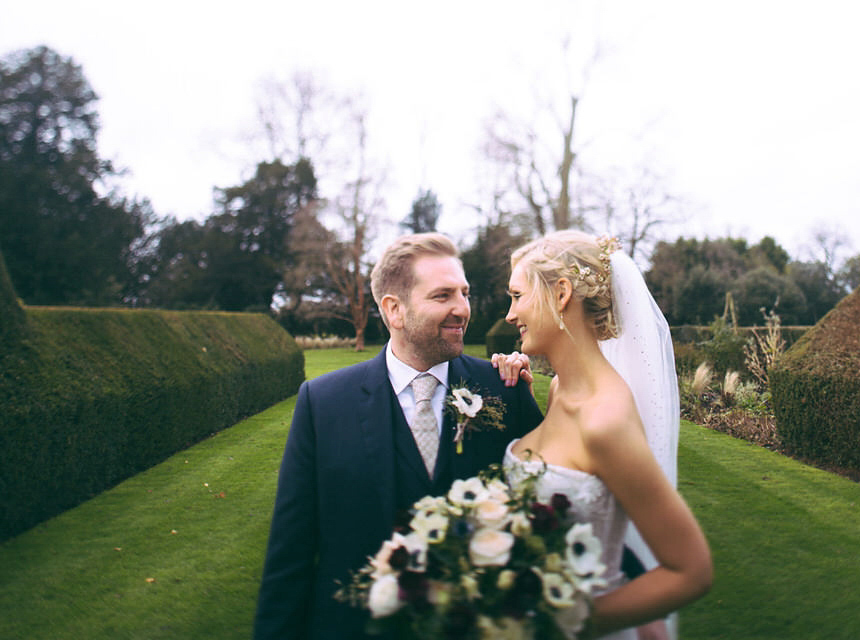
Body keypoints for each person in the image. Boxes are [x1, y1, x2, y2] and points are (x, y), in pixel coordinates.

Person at [253, 233, 543, 639]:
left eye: (465, 292)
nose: (463, 309)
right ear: (395, 310)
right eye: (443, 296)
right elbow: (291, 552)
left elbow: (541, 514)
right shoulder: (323, 403)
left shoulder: (503, 389)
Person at [499, 230, 712, 640]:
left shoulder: (606, 420)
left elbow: (691, 570)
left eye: (516, 296)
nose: (510, 314)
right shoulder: (561, 390)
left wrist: (555, 622)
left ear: (561, 294)